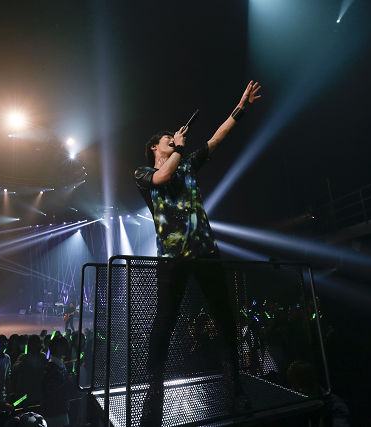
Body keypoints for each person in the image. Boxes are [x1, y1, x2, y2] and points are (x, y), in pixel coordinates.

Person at [133, 80, 261, 425]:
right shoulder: (144, 173)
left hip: (205, 252)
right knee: (165, 320)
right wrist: (177, 148)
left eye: (172, 139)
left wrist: (240, 108)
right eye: (166, 139)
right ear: (154, 147)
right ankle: (154, 389)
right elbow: (163, 178)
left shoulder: (187, 164)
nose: (172, 140)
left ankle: (234, 384)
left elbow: (217, 138)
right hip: (172, 257)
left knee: (225, 317)